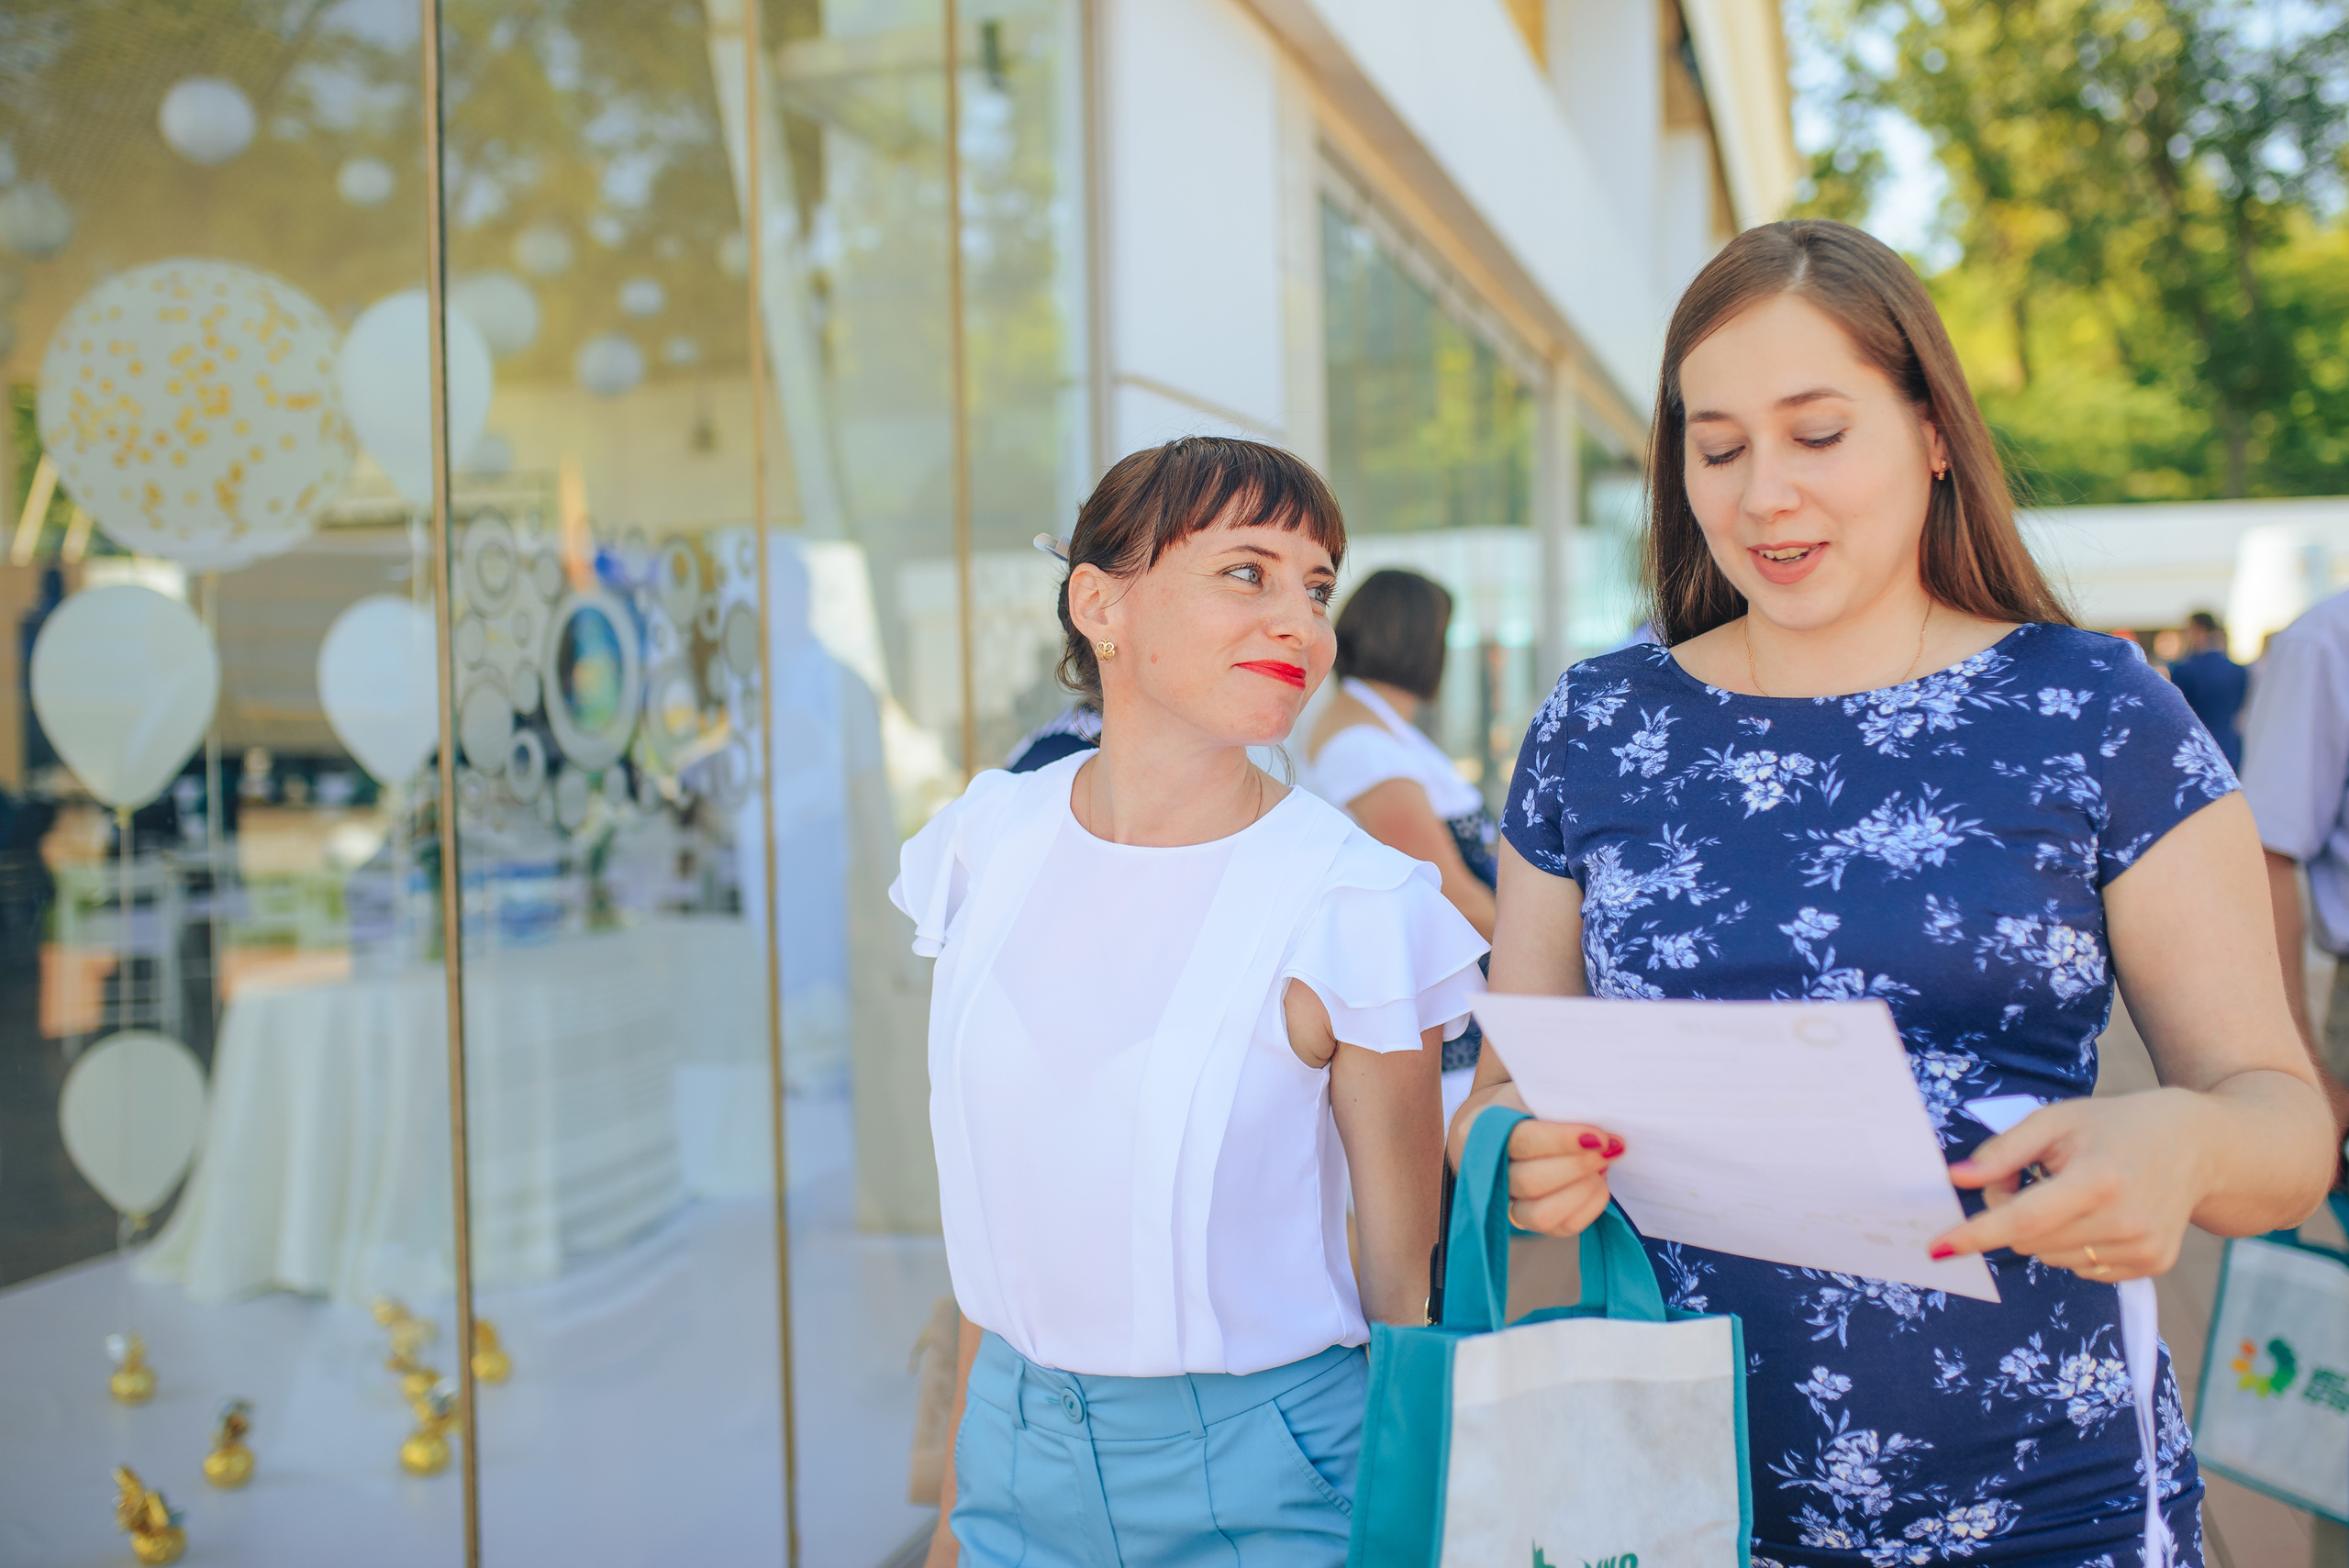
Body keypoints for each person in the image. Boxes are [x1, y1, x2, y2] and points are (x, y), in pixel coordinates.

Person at [1457, 219, 2337, 1568]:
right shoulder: (1597, 723)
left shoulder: (2092, 709)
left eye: (1819, 434)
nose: (1764, 497)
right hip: (1679, 1499)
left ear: (1933, 434)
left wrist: (2185, 1144)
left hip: (2053, 1500)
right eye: (1720, 445)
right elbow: (1506, 1091)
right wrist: (1515, 1155)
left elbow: (2283, 1128)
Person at [899, 436, 1486, 1567]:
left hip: (1272, 1473)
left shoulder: (1351, 900)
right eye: (1247, 572)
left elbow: (1403, 1293)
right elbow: (1003, 1215)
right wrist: (953, 1516)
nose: (1302, 625)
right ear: (1099, 604)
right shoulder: (984, 843)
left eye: (1317, 588)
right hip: (1010, 1443)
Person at [1303, 567, 1497, 1125]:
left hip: (1455, 986)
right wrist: (1549, 963)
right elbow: (1450, 892)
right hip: (1440, 1004)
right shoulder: (1363, 745)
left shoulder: (1375, 728)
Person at [2167, 608, 2250, 771]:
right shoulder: (2238, 670)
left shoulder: (2185, 670)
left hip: (2197, 747)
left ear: (2199, 629)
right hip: (2231, 744)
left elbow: (2177, 713)